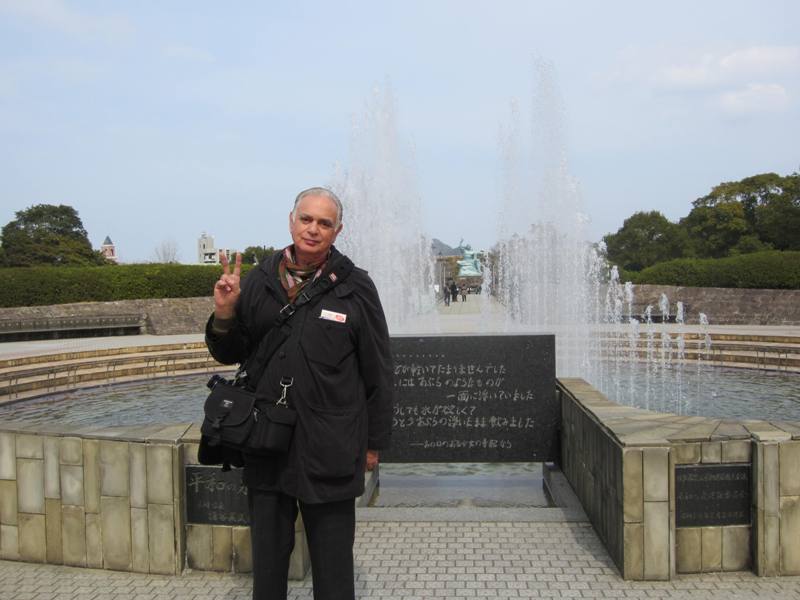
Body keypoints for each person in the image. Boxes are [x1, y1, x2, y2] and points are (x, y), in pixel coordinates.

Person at [205, 187, 393, 600]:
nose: (313, 229)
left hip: (330, 447)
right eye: (306, 219)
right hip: (266, 443)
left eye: (324, 223)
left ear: (337, 230)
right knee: (269, 567)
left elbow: (378, 370)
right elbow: (231, 353)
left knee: (333, 570)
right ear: (291, 221)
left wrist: (374, 443)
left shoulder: (356, 287)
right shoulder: (258, 280)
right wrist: (224, 313)